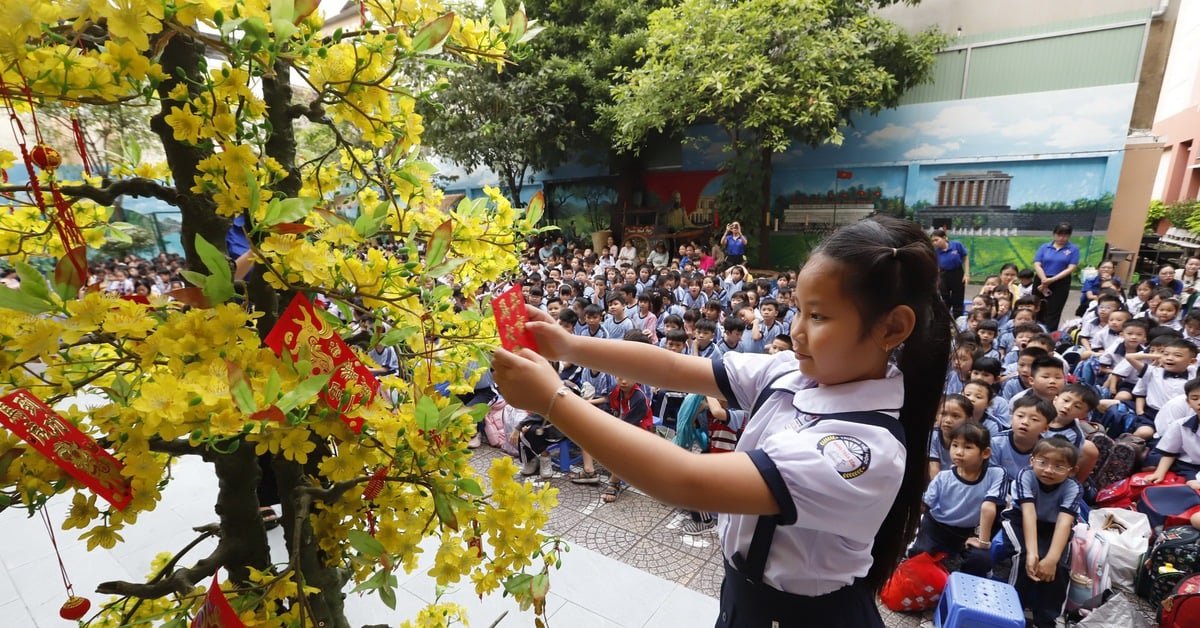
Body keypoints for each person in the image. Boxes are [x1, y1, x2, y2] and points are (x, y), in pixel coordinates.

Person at [492, 216, 952, 627]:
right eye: (798, 309)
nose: (796, 330)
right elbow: (673, 369)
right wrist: (567, 346)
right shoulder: (794, 372)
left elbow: (686, 480)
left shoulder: (858, 450)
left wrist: (553, 401)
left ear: (892, 329)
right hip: (747, 599)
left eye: (818, 315)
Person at [999, 437, 1080, 628]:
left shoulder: (1073, 487)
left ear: (1072, 470)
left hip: (1053, 527)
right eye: (1043, 462)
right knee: (1023, 556)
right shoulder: (1025, 476)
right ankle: (1011, 610)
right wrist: (1033, 553)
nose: (1049, 470)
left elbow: (1064, 523)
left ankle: (1046, 619)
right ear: (1032, 460)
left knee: (1059, 566)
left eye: (1059, 466)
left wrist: (1051, 559)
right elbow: (1028, 513)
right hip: (1020, 520)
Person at [1033, 222, 1079, 330]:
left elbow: (1071, 267)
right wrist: (1044, 279)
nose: (1062, 238)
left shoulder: (1073, 249)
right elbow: (1037, 263)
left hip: (1060, 282)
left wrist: (1052, 280)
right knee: (1037, 307)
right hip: (1041, 279)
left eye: (1065, 235)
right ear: (1054, 234)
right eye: (1059, 235)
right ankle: (1034, 329)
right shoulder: (1045, 247)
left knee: (1054, 309)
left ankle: (1050, 333)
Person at [931, 228, 969, 318]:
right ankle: (944, 320)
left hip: (957, 273)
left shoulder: (956, 245)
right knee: (944, 299)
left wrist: (966, 274)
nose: (935, 243)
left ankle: (958, 320)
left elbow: (965, 257)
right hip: (943, 275)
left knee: (958, 298)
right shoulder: (935, 251)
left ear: (944, 238)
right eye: (933, 241)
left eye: (936, 240)